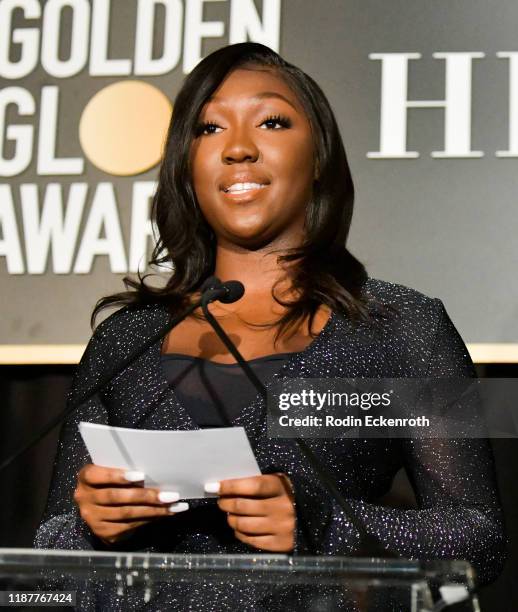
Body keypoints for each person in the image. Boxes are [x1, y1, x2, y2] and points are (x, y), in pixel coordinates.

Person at [34, 42, 505, 608]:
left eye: (272, 121)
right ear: (186, 165)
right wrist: (90, 528)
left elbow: (478, 539)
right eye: (208, 129)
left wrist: (321, 520)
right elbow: (50, 557)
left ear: (319, 157)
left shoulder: (398, 328)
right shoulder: (125, 340)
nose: (237, 149)